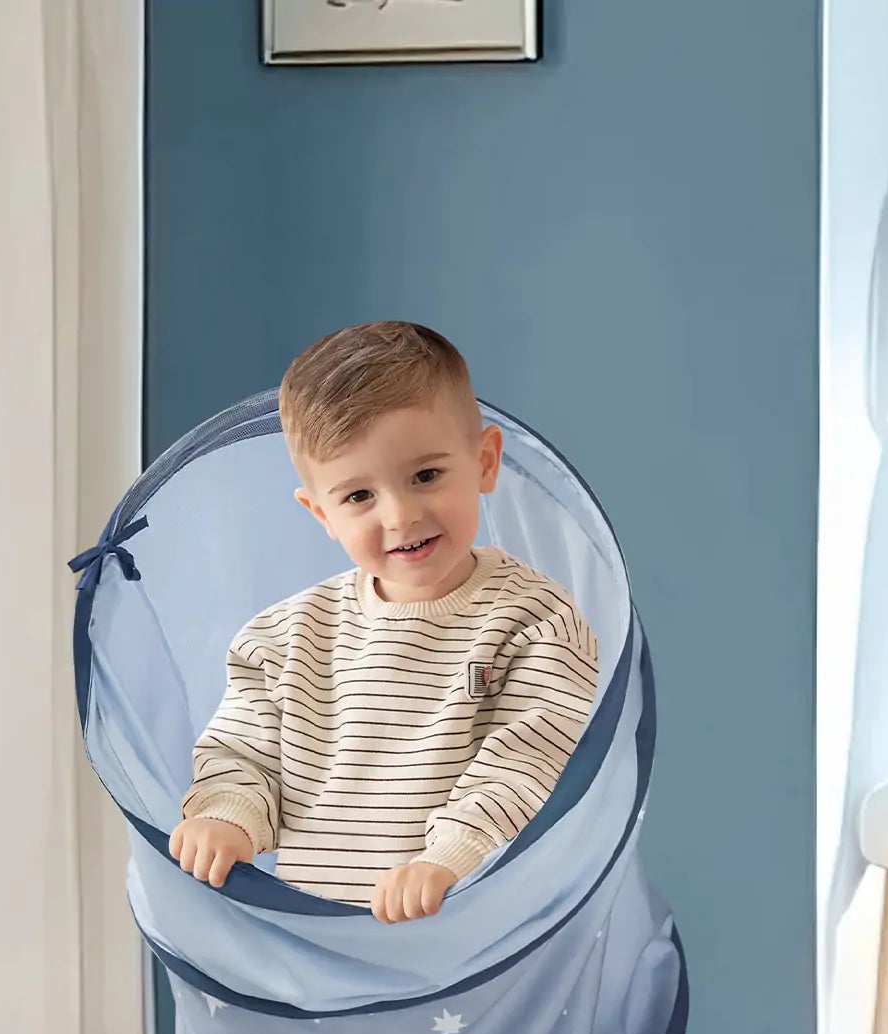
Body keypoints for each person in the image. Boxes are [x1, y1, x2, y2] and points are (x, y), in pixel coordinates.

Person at [169, 321, 599, 922]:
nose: (400, 515)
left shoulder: (533, 620)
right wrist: (224, 817)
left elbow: (532, 757)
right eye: (358, 497)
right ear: (320, 513)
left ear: (485, 462)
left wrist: (451, 858)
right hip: (320, 951)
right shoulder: (285, 637)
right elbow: (246, 757)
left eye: (426, 476)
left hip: (467, 932)